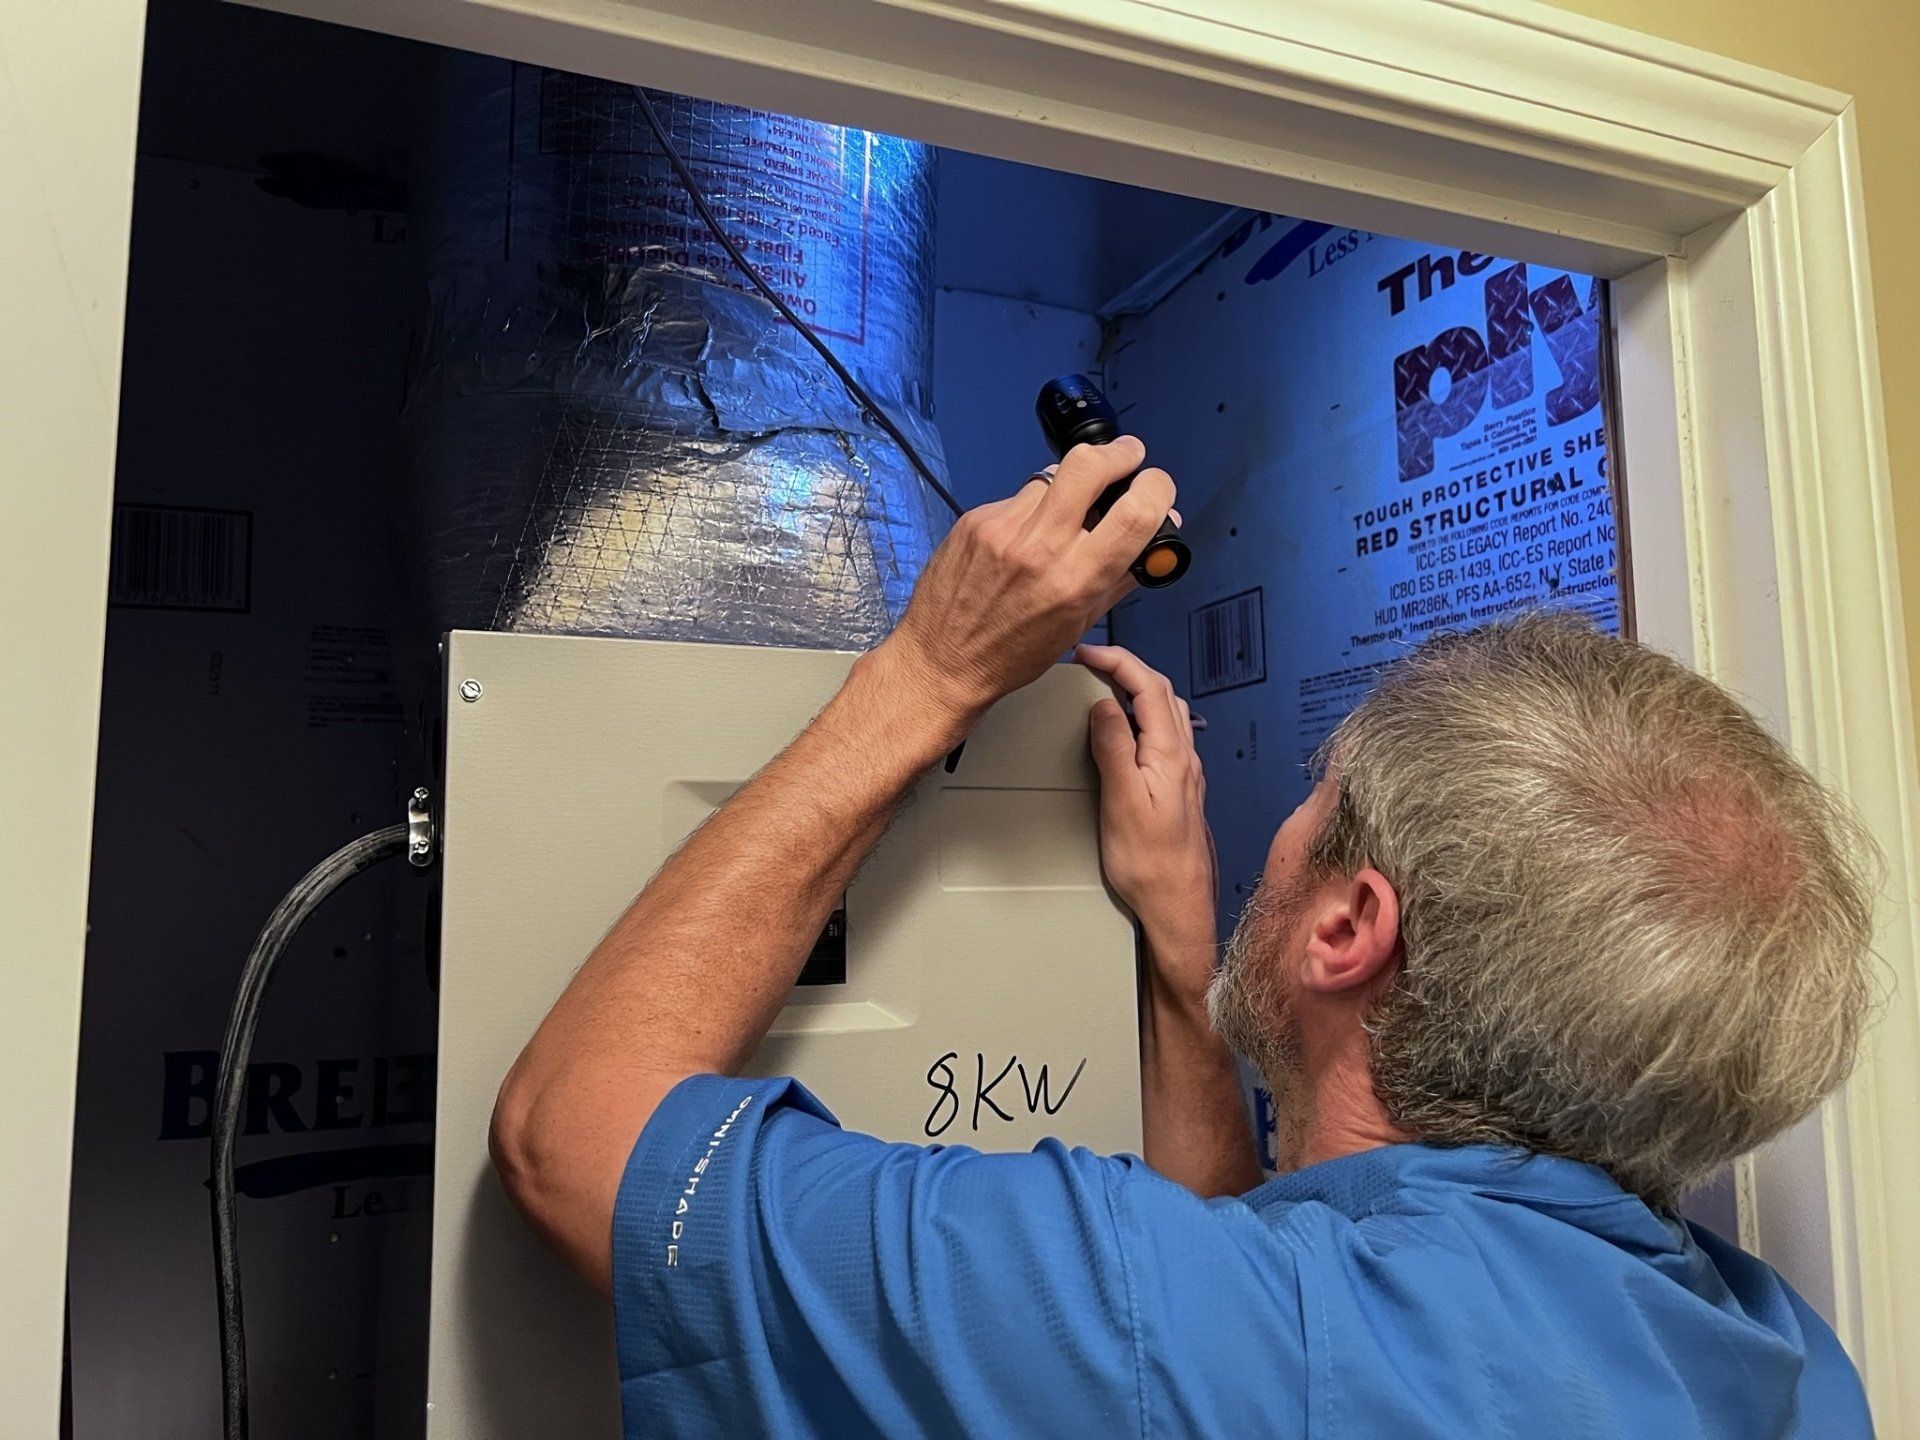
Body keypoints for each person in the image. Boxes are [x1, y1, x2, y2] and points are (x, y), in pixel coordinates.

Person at [489, 436, 1879, 1437]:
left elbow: (578, 1135)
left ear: (1348, 927)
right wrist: (1183, 957)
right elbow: (1273, 1302)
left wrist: (931, 674)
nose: (1283, 829)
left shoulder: (1135, 1324)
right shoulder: (1790, 1365)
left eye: (1312, 813)